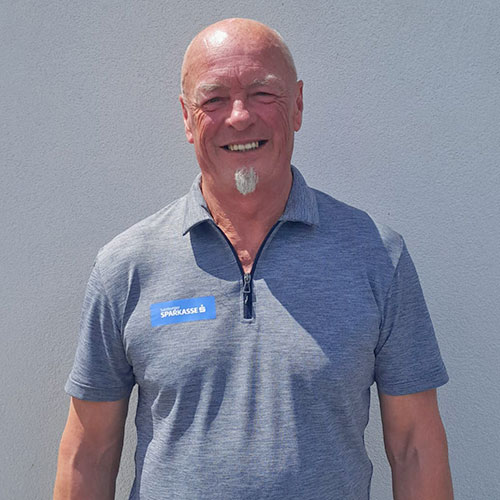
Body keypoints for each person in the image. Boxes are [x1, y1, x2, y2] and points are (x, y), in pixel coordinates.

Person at [54, 18, 453, 500]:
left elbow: (415, 447)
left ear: (297, 105)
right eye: (214, 99)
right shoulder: (126, 267)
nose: (239, 116)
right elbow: (89, 453)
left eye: (263, 93)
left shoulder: (376, 257)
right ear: (186, 118)